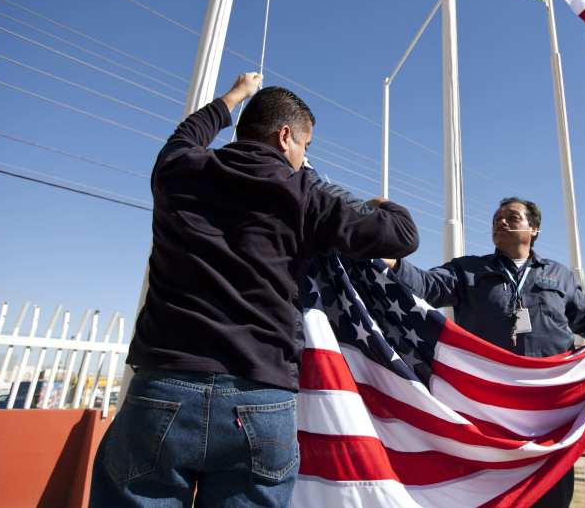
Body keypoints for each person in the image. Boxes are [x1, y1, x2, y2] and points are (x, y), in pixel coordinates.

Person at [91, 73, 419, 507]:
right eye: (306, 146)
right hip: (259, 401)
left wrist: (236, 94)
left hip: (162, 389)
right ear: (286, 137)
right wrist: (380, 205)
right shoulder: (307, 195)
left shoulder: (179, 169)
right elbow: (403, 236)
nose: (304, 158)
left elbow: (188, 131)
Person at [385, 197, 585, 508]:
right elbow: (426, 286)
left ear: (534, 228)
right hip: (491, 408)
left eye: (511, 217)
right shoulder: (468, 270)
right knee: (493, 492)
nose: (501, 222)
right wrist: (392, 261)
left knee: (552, 495)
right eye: (497, 218)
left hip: (549, 411)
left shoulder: (559, 275)